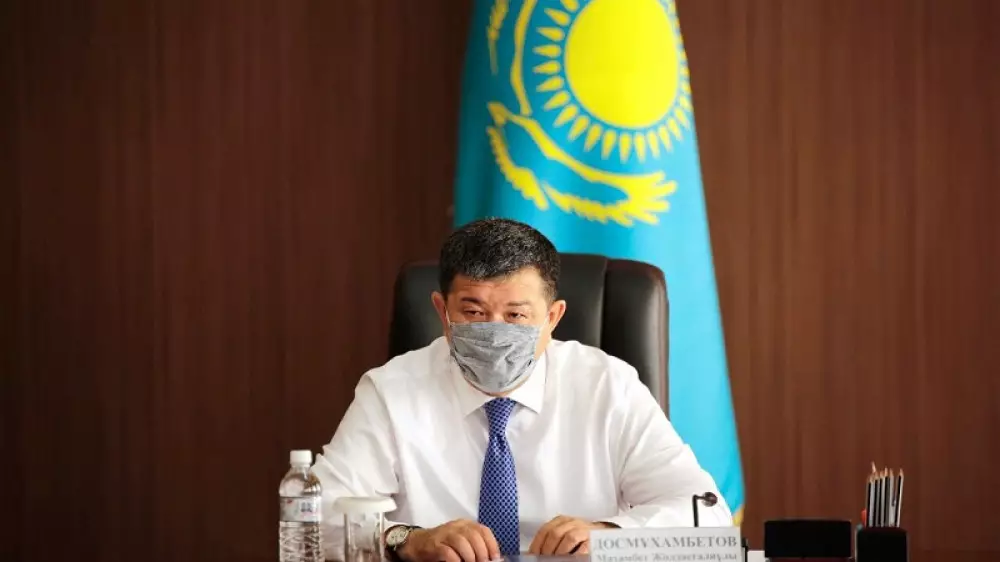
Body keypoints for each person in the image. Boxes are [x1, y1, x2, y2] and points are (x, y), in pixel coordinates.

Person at [313, 218, 731, 562]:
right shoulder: (391, 390)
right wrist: (407, 539)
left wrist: (610, 534)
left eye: (516, 315)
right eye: (473, 311)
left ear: (553, 318)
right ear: (442, 311)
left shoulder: (608, 385)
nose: (494, 332)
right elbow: (316, 517)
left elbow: (705, 515)